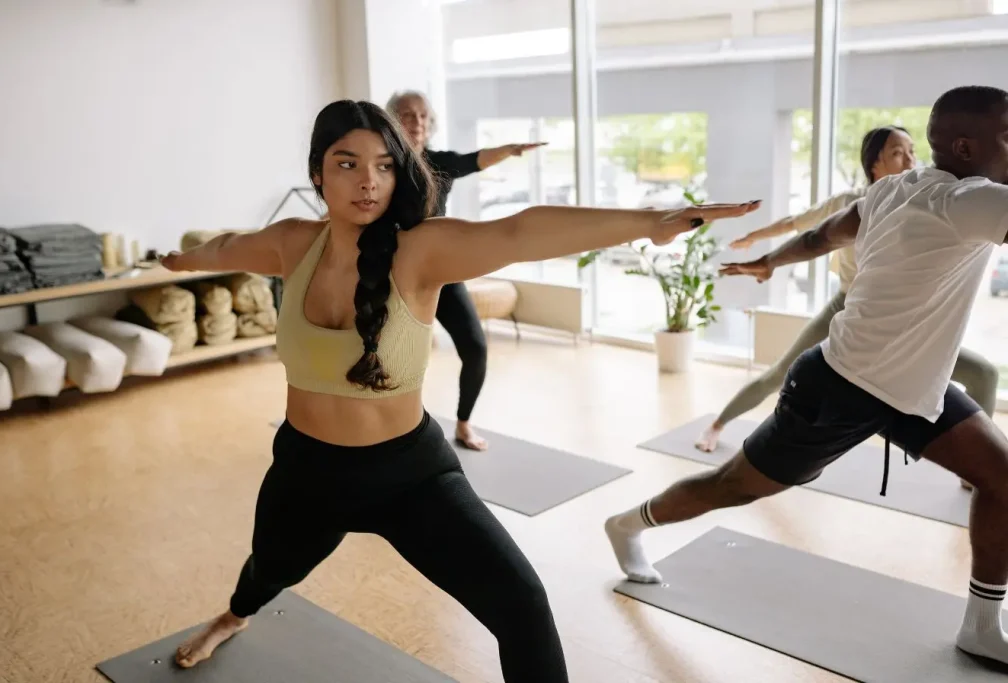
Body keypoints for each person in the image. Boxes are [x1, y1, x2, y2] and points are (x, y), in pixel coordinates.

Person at [161, 99, 760, 681]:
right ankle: (232, 618)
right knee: (269, 570)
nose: (368, 181)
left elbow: (521, 231)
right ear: (317, 172)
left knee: (522, 605)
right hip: (307, 471)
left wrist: (648, 223)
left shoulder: (423, 250)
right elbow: (222, 248)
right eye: (347, 163)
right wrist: (179, 261)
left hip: (410, 477)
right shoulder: (293, 243)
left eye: (384, 164)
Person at [604, 85, 1008, 666]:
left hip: (912, 384)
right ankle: (628, 523)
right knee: (734, 486)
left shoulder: (894, 190)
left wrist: (770, 261)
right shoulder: (973, 200)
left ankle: (982, 625)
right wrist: (769, 260)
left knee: (1000, 477)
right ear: (967, 147)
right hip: (839, 387)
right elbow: (825, 234)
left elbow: (824, 236)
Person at [696, 125, 999, 467]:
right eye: (898, 153)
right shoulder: (853, 202)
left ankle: (976, 469)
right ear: (875, 163)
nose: (910, 159)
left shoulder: (923, 200)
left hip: (902, 324)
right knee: (779, 373)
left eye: (912, 151)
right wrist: (758, 245)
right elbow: (801, 227)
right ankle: (716, 425)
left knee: (984, 374)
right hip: (846, 309)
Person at [387, 89, 546, 451]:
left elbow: (474, 160)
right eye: (409, 115)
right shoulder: (383, 165)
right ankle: (389, 426)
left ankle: (463, 424)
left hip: (442, 273)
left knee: (475, 349)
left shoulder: (439, 163)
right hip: (397, 278)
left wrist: (510, 149)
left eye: (424, 117)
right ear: (394, 120)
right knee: (393, 356)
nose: (418, 122)